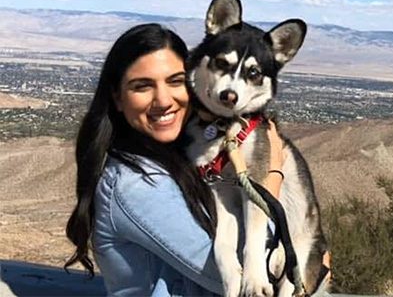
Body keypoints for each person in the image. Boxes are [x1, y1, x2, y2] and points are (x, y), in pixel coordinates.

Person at [64, 23, 323, 296]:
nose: (163, 100)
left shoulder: (178, 156)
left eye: (175, 81)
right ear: (117, 97)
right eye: (142, 86)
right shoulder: (136, 186)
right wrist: (272, 171)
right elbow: (256, 275)